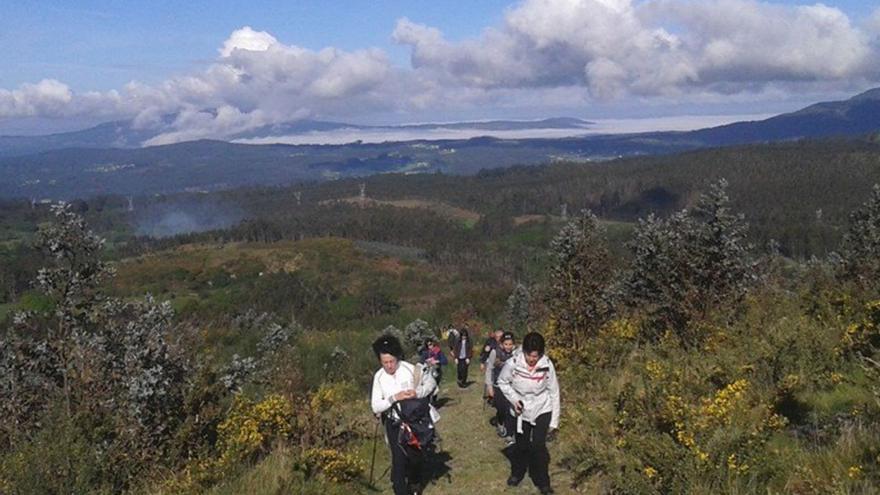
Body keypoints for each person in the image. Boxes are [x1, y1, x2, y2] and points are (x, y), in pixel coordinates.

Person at [370, 335, 439, 495]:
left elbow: (431, 383)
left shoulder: (410, 368)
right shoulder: (379, 377)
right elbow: (376, 406)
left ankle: (415, 481)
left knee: (416, 456)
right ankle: (400, 489)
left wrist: (417, 392)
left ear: (397, 358)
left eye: (391, 361)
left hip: (416, 421)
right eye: (384, 362)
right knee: (399, 460)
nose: (389, 366)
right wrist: (394, 398)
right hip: (394, 423)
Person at [497, 332, 560, 495]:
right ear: (523, 351)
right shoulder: (513, 363)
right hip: (521, 409)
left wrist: (554, 421)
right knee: (522, 445)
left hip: (542, 407)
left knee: (539, 446)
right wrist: (514, 400)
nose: (532, 360)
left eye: (536, 356)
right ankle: (517, 472)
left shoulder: (547, 365)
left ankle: (543, 482)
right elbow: (502, 382)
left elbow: (554, 392)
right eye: (529, 356)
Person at [485, 331, 517, 444]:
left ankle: (510, 434)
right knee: (501, 408)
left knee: (510, 410)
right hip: (498, 385)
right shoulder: (495, 352)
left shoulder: (516, 353)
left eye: (510, 344)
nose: (508, 347)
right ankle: (500, 421)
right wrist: (489, 386)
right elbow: (489, 369)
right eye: (506, 344)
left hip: (512, 386)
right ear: (502, 344)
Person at [418, 336, 448, 403]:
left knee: (435, 388)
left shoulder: (438, 351)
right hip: (428, 373)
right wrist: (427, 361)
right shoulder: (425, 353)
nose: (430, 346)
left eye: (431, 344)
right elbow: (420, 362)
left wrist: (437, 361)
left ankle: (434, 402)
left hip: (437, 372)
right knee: (428, 388)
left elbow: (445, 361)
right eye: (428, 345)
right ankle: (428, 403)